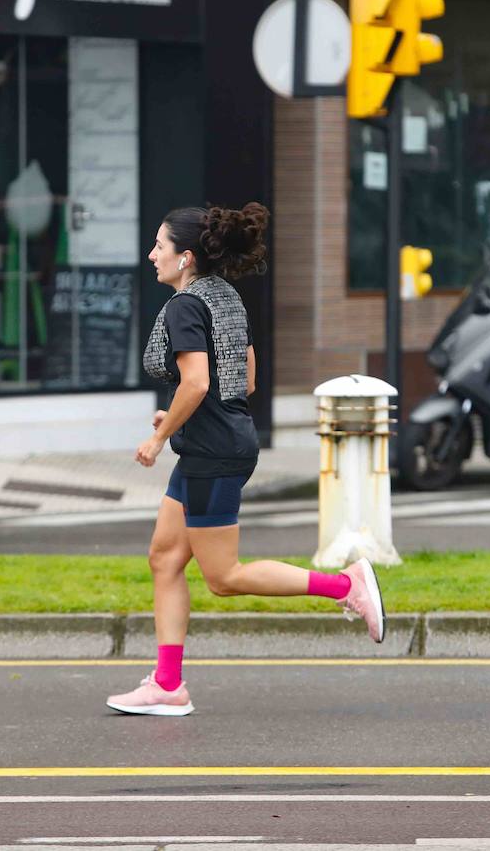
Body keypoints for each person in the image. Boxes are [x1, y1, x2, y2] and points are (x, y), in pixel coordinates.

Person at [106, 202, 386, 716]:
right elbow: (246, 381)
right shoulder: (227, 297)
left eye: (159, 246)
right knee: (164, 559)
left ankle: (347, 586)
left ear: (185, 257)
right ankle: (168, 684)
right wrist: (181, 418)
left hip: (212, 452)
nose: (151, 256)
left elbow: (197, 381)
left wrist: (161, 434)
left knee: (224, 576)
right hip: (217, 444)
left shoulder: (185, 306)